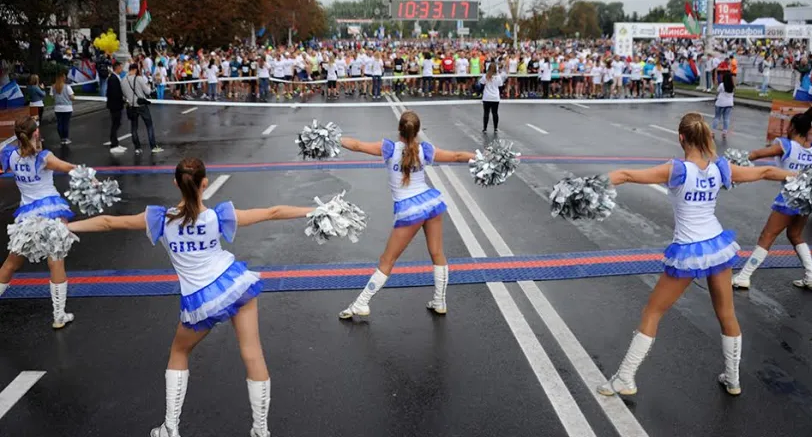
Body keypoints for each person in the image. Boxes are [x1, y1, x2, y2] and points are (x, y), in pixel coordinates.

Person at [67, 157, 318, 437]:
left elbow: (108, 223)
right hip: (234, 283)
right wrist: (317, 210)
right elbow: (273, 212)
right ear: (204, 183)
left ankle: (170, 428)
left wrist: (65, 227)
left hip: (201, 300)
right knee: (252, 353)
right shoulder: (219, 216)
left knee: (179, 351)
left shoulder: (161, 220)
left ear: (176, 184)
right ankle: (261, 430)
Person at [596, 113, 793, 399]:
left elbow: (626, 175)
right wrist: (802, 176)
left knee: (652, 312)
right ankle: (733, 379)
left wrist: (591, 184)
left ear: (681, 138)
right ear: (705, 137)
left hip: (689, 250)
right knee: (726, 313)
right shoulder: (720, 168)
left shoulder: (677, 169)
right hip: (716, 246)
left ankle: (625, 377)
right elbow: (764, 173)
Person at [337, 111, 475, 319]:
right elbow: (456, 156)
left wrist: (332, 138)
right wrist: (483, 158)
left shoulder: (389, 149)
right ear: (417, 131)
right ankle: (439, 301)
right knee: (437, 252)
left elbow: (356, 145)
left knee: (387, 259)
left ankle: (361, 303)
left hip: (409, 210)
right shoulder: (425, 150)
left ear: (399, 129)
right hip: (431, 203)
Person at [732, 107, 812, 290]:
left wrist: (732, 163)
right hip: (806, 200)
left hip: (788, 198)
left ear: (793, 128)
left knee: (767, 236)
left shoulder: (785, 145)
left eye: (789, 126)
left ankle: (744, 276)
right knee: (795, 235)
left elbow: (756, 155)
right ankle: (811, 276)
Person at [0, 116, 79, 328]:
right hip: (51, 213)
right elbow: (69, 167)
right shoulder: (43, 157)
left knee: (11, 263)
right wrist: (90, 177)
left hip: (26, 218)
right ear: (35, 133)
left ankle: (60, 315)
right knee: (56, 261)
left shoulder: (10, 156)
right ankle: (59, 316)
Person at [122, 63, 163, 155]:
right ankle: (153, 146)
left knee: (134, 128)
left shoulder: (123, 80)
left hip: (131, 106)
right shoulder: (139, 79)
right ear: (135, 69)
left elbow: (124, 95)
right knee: (149, 125)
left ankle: (137, 148)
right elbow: (148, 91)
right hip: (141, 106)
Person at [106, 61, 128, 154]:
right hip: (115, 105)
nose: (122, 69)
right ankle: (113, 144)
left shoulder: (115, 77)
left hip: (116, 104)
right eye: (120, 67)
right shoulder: (113, 79)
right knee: (115, 124)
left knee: (117, 123)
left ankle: (116, 143)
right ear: (117, 68)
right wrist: (122, 100)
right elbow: (114, 93)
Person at [479, 62, 507, 133]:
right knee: (495, 113)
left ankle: (485, 128)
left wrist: (481, 93)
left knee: (486, 113)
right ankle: (495, 128)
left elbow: (481, 86)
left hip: (487, 97)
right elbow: (500, 87)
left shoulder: (485, 76)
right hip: (495, 97)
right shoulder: (498, 77)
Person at [51, 73, 75, 145]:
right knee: (66, 124)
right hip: (67, 108)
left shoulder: (53, 87)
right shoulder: (67, 87)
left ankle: (61, 138)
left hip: (57, 108)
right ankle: (65, 138)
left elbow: (52, 97)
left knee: (59, 123)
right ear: (63, 78)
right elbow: (72, 97)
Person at [713, 72, 735, 140]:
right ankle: (724, 132)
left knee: (717, 117)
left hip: (720, 103)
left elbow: (717, 91)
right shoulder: (732, 85)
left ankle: (713, 131)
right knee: (726, 118)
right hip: (729, 104)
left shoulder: (722, 85)